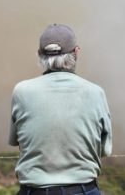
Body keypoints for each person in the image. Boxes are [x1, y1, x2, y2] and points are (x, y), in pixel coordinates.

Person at [9, 24, 112, 195]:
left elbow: (16, 141)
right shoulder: (96, 93)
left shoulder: (21, 91)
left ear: (39, 55)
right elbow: (105, 150)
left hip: (34, 191)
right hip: (83, 189)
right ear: (76, 52)